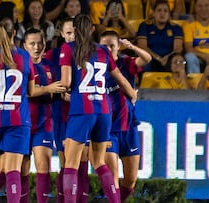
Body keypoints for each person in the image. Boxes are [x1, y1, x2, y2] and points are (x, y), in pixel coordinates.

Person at [59, 14, 137, 203]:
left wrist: (60, 91)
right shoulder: (103, 51)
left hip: (81, 110)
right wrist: (132, 94)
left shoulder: (68, 48)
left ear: (76, 30)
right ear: (93, 30)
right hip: (103, 111)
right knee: (100, 162)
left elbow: (66, 82)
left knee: (71, 163)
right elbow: (121, 79)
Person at [0, 18, 35, 203]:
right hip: (18, 119)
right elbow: (31, 91)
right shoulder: (25, 56)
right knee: (13, 172)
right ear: (14, 32)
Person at [99, 30, 151, 203]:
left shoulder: (125, 63)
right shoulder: (95, 68)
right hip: (108, 130)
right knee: (112, 176)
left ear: (118, 47)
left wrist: (132, 47)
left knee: (130, 180)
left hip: (128, 128)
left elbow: (147, 59)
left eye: (111, 45)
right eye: (103, 45)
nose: (107, 49)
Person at [45, 17, 90, 203]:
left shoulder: (89, 53)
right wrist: (60, 91)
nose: (72, 36)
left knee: (83, 164)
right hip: (61, 115)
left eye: (75, 32)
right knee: (67, 164)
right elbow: (46, 84)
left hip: (83, 114)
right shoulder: (52, 55)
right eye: (68, 32)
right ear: (62, 34)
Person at [20, 28, 66, 203]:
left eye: (39, 43)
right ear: (25, 46)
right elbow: (23, 92)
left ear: (45, 44)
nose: (36, 46)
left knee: (43, 167)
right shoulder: (20, 66)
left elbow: (61, 89)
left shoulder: (51, 67)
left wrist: (64, 94)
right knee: (22, 169)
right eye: (32, 43)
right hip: (22, 124)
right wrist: (48, 89)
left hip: (44, 124)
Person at [137, 0, 184, 73]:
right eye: (159, 10)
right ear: (154, 13)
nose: (162, 13)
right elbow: (142, 46)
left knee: (177, 61)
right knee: (145, 61)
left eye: (165, 11)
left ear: (169, 15)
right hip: (150, 58)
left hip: (168, 59)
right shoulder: (145, 26)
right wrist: (157, 58)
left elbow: (178, 48)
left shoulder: (176, 28)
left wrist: (167, 57)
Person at [183, 0, 209, 74]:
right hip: (199, 58)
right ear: (195, 7)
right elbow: (188, 48)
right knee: (189, 57)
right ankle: (196, 82)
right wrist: (205, 56)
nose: (203, 9)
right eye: (200, 6)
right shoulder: (189, 24)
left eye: (206, 5)